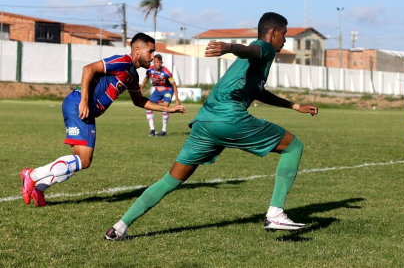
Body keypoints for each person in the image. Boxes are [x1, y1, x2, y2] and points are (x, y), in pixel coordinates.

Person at [105, 12, 319, 240]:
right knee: (293, 146)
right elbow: (250, 50)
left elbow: (258, 91)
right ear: (273, 32)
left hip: (204, 122)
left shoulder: (254, 64)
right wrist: (229, 46)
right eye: (284, 34)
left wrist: (295, 106)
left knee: (171, 179)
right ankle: (275, 213)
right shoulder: (264, 48)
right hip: (229, 118)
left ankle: (119, 227)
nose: (285, 40)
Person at [20, 33, 187, 207]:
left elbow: (139, 101)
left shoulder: (133, 75)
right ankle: (31, 175)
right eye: (150, 52)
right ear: (137, 50)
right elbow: (88, 69)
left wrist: (167, 108)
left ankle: (39, 188)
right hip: (79, 104)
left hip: (81, 107)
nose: (153, 57)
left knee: (78, 160)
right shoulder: (123, 61)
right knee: (84, 160)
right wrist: (84, 100)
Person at [140, 54, 180, 136]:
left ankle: (164, 130)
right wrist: (141, 88)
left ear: (161, 63)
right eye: (156, 62)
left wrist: (177, 99)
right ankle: (152, 130)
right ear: (153, 62)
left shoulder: (166, 72)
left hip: (167, 90)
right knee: (148, 107)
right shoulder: (150, 70)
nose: (158, 64)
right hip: (157, 91)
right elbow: (146, 78)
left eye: (159, 62)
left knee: (165, 108)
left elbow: (174, 84)